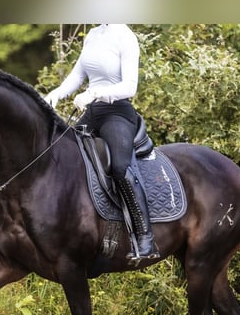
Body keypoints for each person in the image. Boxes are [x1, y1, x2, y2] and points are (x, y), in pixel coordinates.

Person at [44, 24, 159, 261]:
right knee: (62, 156)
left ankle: (145, 237)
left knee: (119, 166)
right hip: (92, 112)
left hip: (117, 112)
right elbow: (78, 75)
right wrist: (55, 94)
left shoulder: (125, 36)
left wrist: (95, 94)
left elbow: (130, 86)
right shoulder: (93, 35)